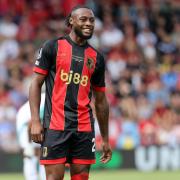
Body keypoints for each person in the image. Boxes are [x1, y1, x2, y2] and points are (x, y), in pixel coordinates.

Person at [29, 5, 112, 180]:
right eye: (83, 19)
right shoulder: (52, 47)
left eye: (91, 20)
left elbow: (101, 101)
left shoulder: (97, 58)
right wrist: (36, 120)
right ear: (71, 21)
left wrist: (105, 138)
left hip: (84, 128)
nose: (89, 23)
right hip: (55, 126)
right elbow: (35, 84)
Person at [16, 93, 46, 180]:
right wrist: (29, 143)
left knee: (42, 154)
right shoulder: (46, 100)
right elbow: (31, 122)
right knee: (30, 154)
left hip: (34, 124)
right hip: (25, 125)